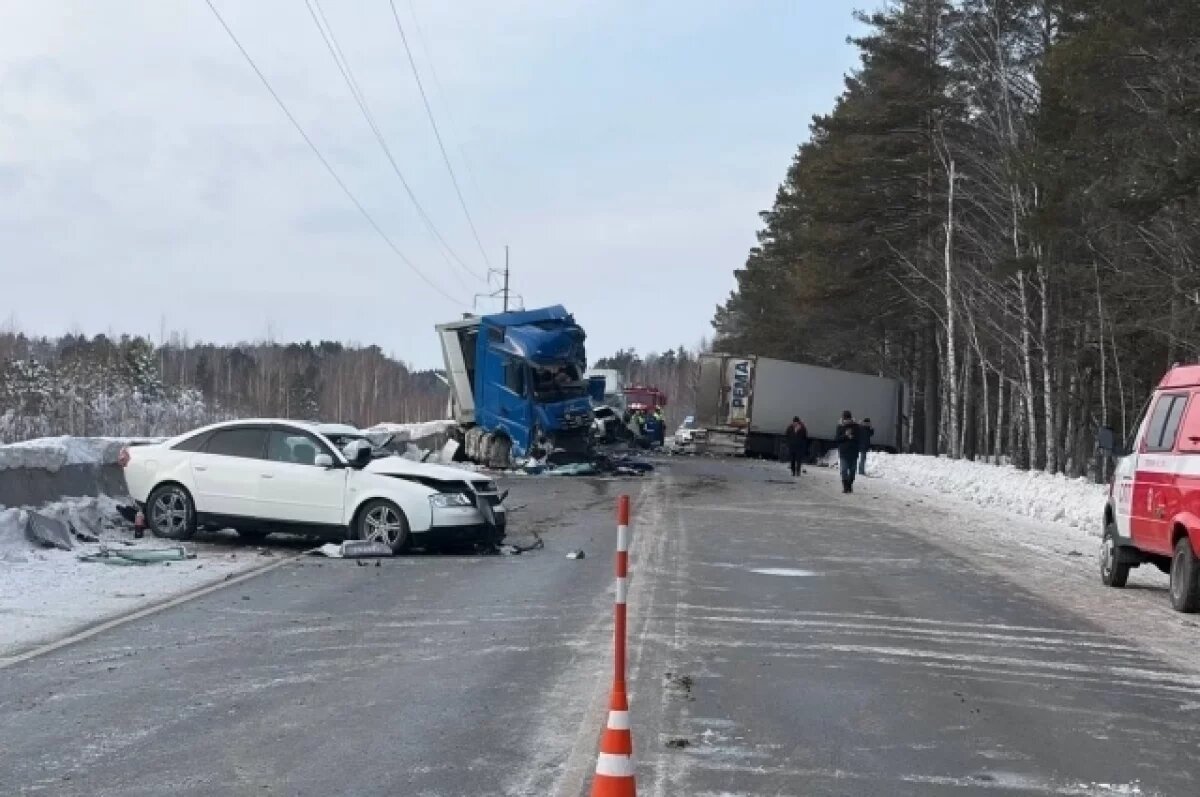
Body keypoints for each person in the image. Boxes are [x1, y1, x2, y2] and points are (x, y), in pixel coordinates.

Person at [834, 410, 860, 493]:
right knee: (844, 470)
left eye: (848, 419)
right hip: (843, 452)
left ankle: (850, 484)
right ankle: (845, 486)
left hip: (853, 452)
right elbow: (837, 439)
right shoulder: (840, 427)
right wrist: (845, 436)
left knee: (852, 470)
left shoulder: (856, 427)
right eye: (845, 419)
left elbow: (860, 438)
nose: (846, 421)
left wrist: (853, 437)